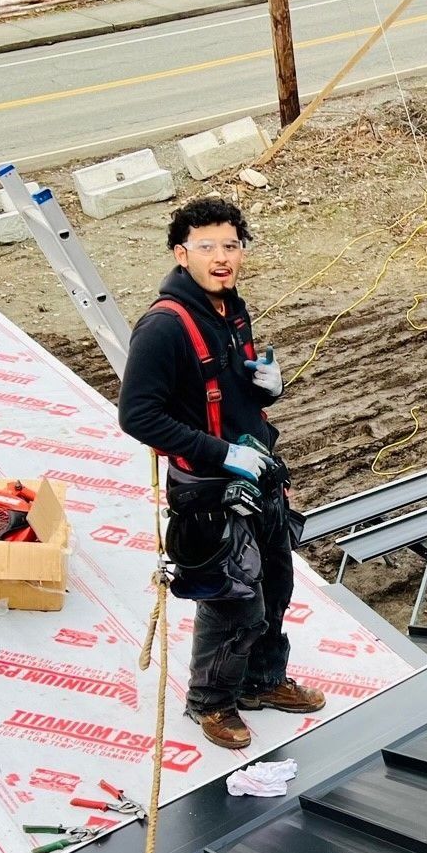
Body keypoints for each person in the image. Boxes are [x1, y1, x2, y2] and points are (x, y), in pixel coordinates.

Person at [118, 197, 325, 751]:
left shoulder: (232, 310)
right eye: (206, 246)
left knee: (275, 584)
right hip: (211, 488)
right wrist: (220, 453)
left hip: (259, 476)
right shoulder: (163, 327)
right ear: (180, 252)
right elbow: (138, 415)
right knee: (234, 599)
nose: (221, 257)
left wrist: (264, 387)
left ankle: (263, 682)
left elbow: (230, 392)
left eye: (230, 245)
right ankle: (211, 702)